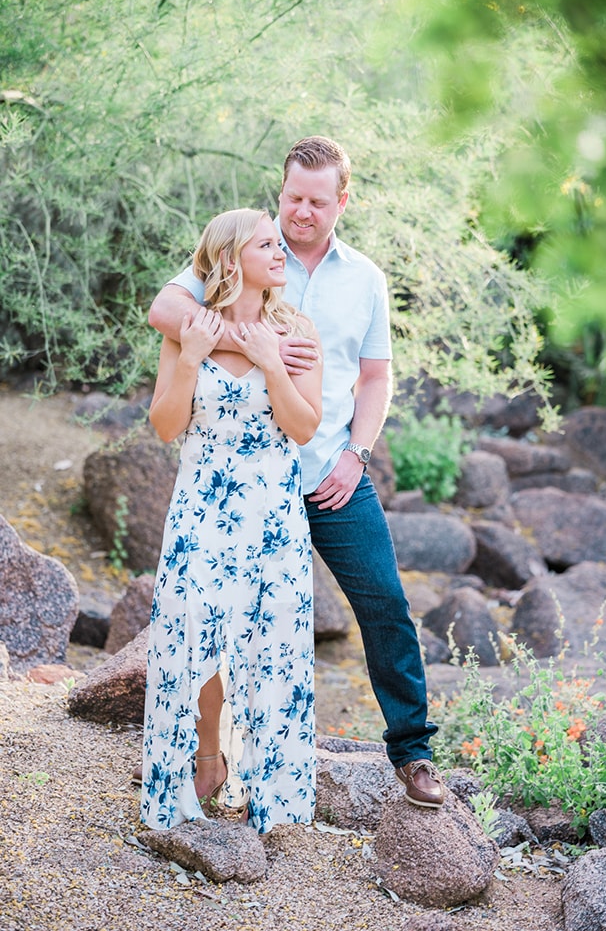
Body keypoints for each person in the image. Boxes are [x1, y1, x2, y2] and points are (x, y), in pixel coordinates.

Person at [149, 136, 445, 809]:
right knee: (219, 622)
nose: (300, 213)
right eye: (292, 197)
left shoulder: (364, 278)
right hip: (245, 483)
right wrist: (247, 340)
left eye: (317, 201)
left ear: (343, 201)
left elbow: (375, 378)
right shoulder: (242, 249)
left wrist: (356, 454)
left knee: (384, 603)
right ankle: (207, 759)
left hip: (326, 470)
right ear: (279, 192)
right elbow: (166, 313)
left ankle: (413, 751)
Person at [141, 208, 323, 835]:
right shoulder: (190, 329)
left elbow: (303, 428)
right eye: (267, 244)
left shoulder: (296, 328)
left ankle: (269, 787)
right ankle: (202, 764)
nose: (281, 252)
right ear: (228, 259)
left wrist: (272, 362)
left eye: (280, 244)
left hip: (271, 510)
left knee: (271, 641)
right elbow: (166, 426)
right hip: (201, 505)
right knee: (197, 638)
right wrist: (190, 355)